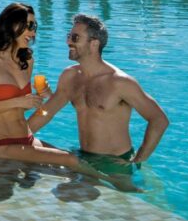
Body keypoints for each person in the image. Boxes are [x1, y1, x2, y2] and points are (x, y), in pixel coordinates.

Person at [28, 14, 169, 176]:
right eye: (69, 36)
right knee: (24, 150)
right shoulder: (70, 76)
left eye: (75, 37)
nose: (68, 42)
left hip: (113, 162)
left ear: (94, 44)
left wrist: (138, 159)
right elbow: (46, 112)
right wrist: (21, 133)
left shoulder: (120, 82)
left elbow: (159, 119)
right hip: (83, 156)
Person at [0, 3, 84, 169]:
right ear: (12, 25)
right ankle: (118, 185)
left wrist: (45, 96)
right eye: (29, 26)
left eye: (34, 27)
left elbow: (21, 111)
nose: (33, 33)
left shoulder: (27, 61)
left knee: (73, 160)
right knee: (71, 161)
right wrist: (19, 101)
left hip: (28, 139)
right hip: (1, 144)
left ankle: (111, 184)